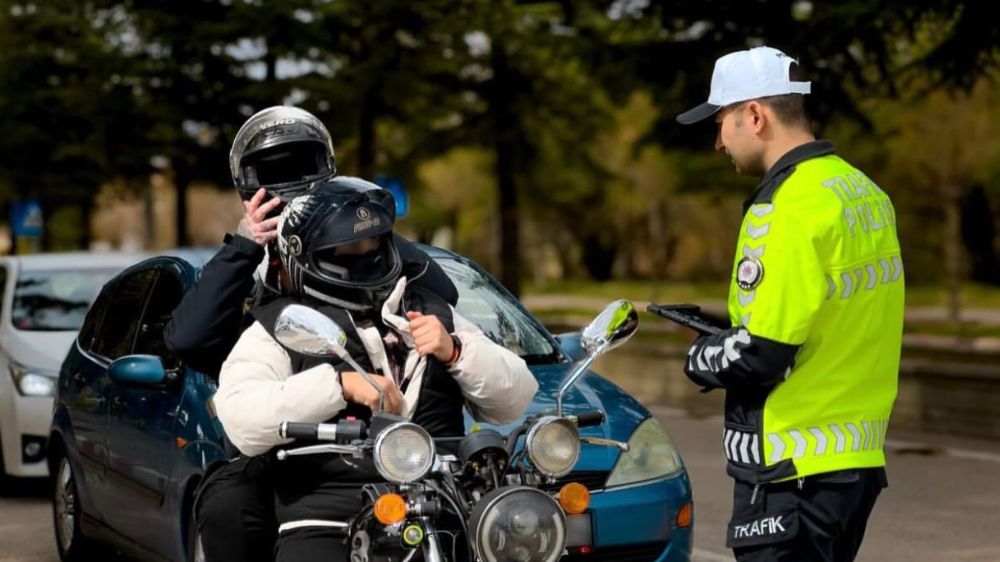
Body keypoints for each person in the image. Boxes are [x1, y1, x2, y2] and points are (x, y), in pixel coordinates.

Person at [163, 105, 459, 562]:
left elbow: (444, 294)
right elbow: (187, 338)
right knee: (228, 503)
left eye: (303, 167)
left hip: (391, 445)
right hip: (286, 439)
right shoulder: (246, 265)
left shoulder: (370, 250)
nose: (291, 184)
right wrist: (248, 244)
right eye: (273, 174)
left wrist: (361, 224)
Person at [213, 182, 538, 562]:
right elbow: (240, 416)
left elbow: (514, 399)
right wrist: (338, 385)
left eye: (374, 244)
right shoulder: (282, 325)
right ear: (307, 256)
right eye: (349, 248)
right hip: (327, 517)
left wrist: (456, 351)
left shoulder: (433, 311)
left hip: (440, 508)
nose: (365, 256)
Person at [675, 46, 903, 561]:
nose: (717, 143)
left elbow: (762, 352)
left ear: (754, 115)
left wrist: (701, 356)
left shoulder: (783, 207)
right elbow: (831, 317)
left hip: (789, 469)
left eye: (721, 124)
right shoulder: (862, 192)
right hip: (855, 463)